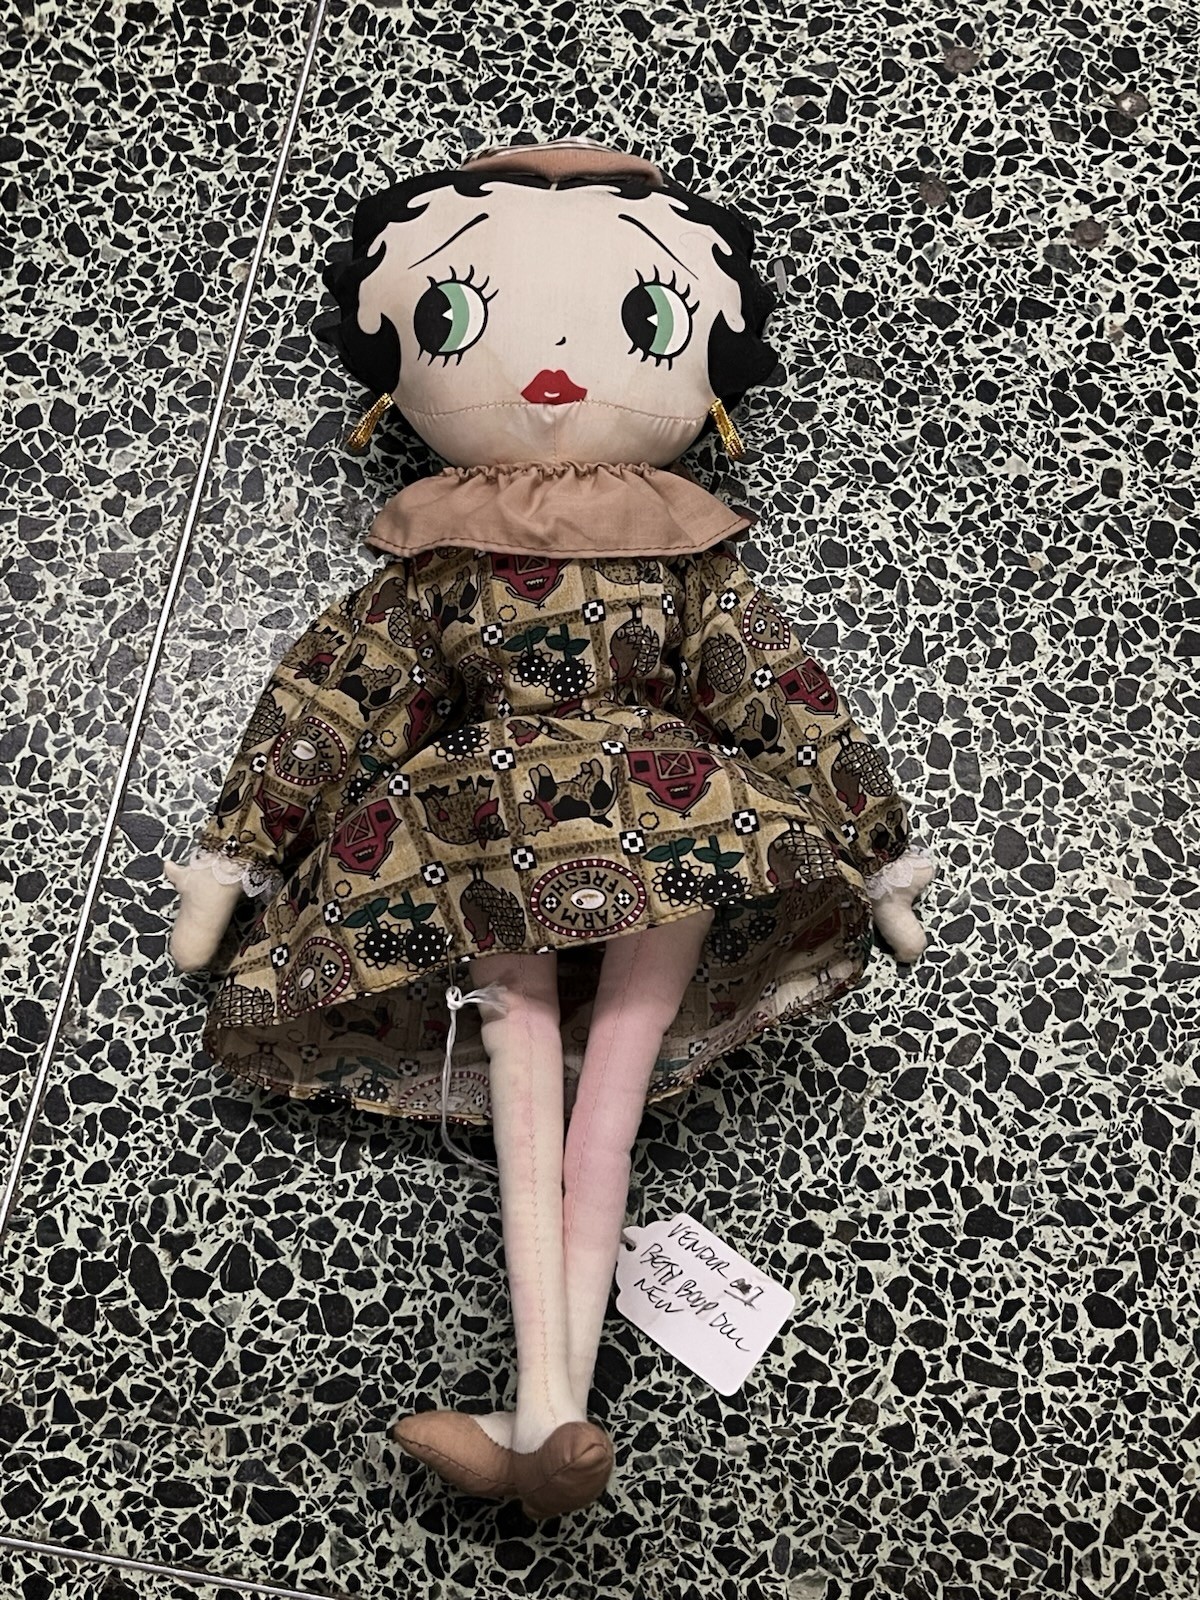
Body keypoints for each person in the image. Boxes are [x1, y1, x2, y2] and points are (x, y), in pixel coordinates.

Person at [165, 138, 937, 1518]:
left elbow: (775, 689)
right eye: (459, 315)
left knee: (599, 1099)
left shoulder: (686, 560)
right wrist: (240, 850)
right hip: (489, 834)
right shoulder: (437, 565)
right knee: (544, 1090)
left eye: (639, 318)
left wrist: (875, 850)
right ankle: (552, 1417)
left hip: (661, 821)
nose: (562, 367)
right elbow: (334, 692)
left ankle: (547, 1418)